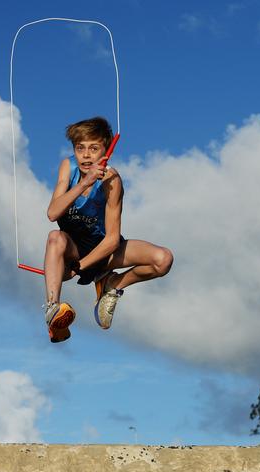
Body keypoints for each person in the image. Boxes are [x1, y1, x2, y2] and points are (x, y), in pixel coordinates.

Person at [43, 117, 173, 343]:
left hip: (104, 250)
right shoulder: (69, 167)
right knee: (55, 237)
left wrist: (81, 268)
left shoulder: (112, 180)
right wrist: (84, 183)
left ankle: (114, 285)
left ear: (105, 151)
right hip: (72, 249)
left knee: (163, 259)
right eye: (80, 148)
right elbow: (53, 213)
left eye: (93, 149)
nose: (86, 155)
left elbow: (112, 240)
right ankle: (53, 310)